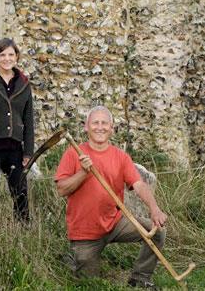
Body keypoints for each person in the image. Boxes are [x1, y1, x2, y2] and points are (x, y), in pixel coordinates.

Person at [55, 107, 168, 288]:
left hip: (115, 223)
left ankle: (140, 277)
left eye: (104, 123)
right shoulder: (73, 153)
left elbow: (139, 185)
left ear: (112, 128)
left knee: (158, 231)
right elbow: (62, 189)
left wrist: (155, 209)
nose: (100, 127)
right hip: (85, 232)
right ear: (86, 127)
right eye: (95, 123)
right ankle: (73, 258)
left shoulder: (121, 157)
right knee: (90, 284)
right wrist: (83, 172)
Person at [0, 38, 34, 221]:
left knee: (20, 191)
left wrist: (28, 151)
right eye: (2, 55)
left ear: (17, 56)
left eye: (11, 54)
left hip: (14, 146)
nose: (7, 59)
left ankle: (23, 228)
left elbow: (28, 118)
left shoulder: (24, 83)